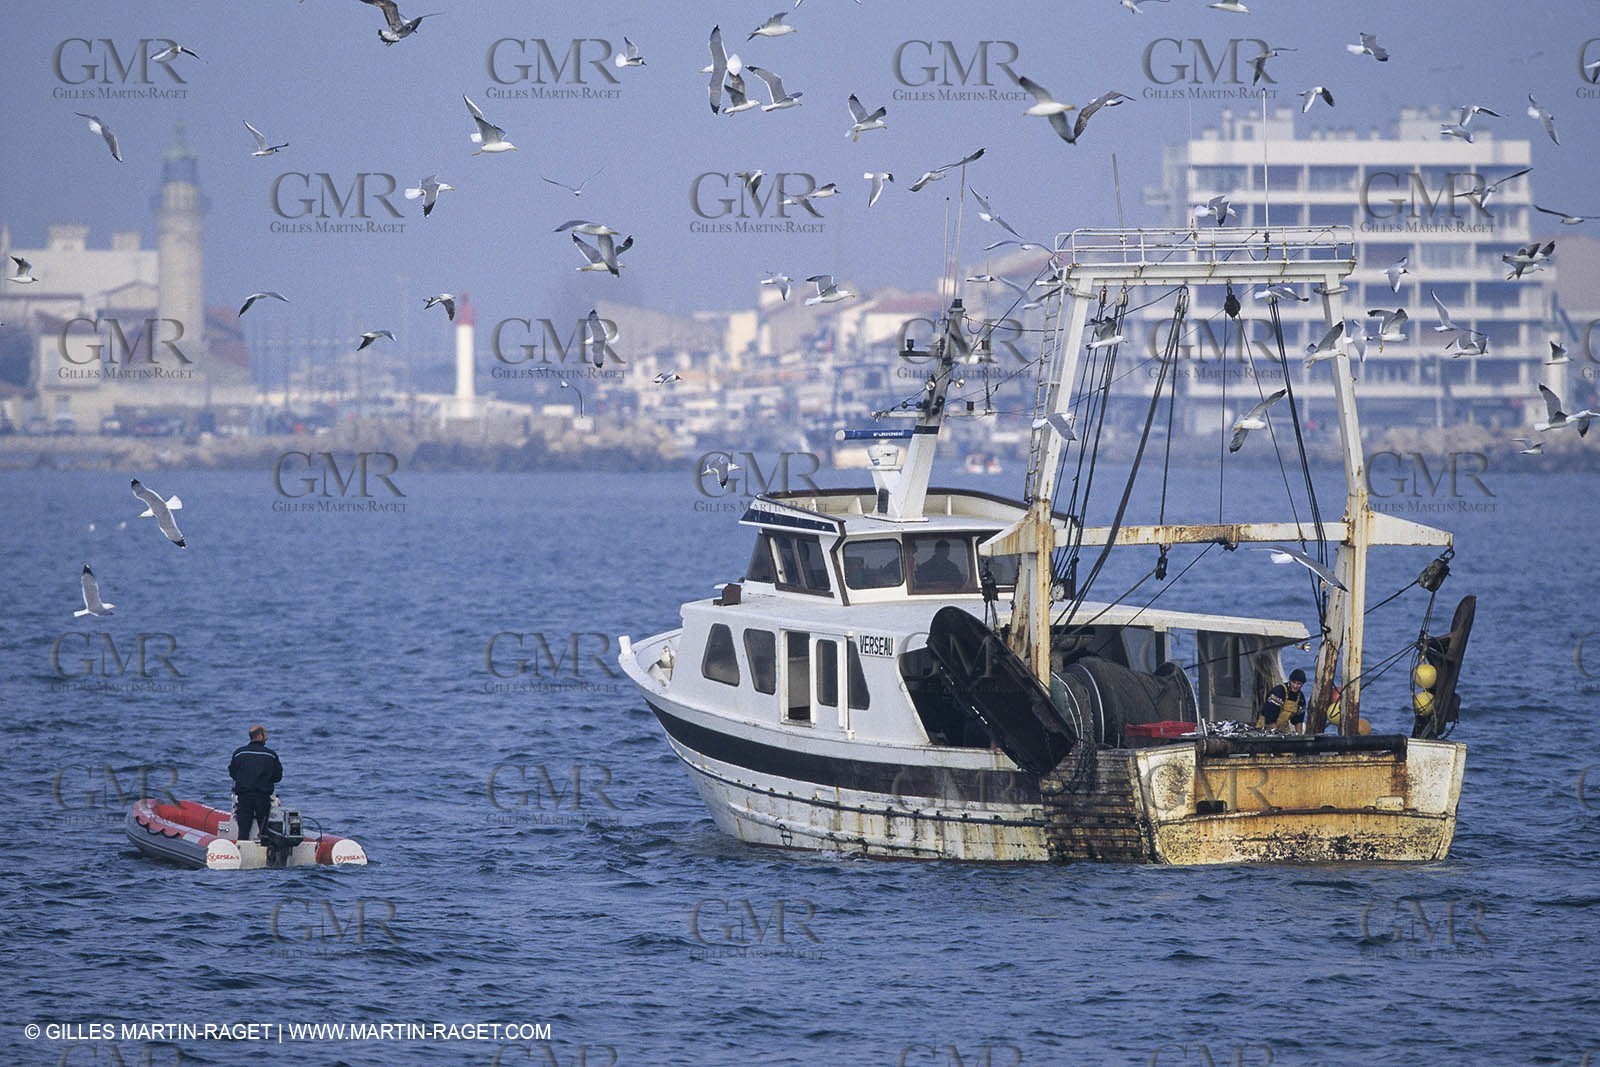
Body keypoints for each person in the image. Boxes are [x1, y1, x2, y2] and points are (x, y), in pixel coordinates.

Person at [229, 724, 283, 843]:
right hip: (262, 798)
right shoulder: (271, 755)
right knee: (264, 831)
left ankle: (241, 853)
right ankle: (267, 853)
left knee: (243, 831)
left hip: (244, 797)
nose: (267, 738)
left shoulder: (239, 753)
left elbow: (233, 773)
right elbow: (278, 777)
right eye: (266, 735)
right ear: (260, 736)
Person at [1256, 668, 1306, 733]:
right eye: (1294, 682)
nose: (1295, 686)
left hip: (1283, 728)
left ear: (1302, 684)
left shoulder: (1300, 698)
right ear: (1290, 681)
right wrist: (1276, 735)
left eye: (1299, 684)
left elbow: (1298, 720)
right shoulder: (1279, 691)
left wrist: (1300, 737)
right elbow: (1270, 717)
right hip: (1266, 726)